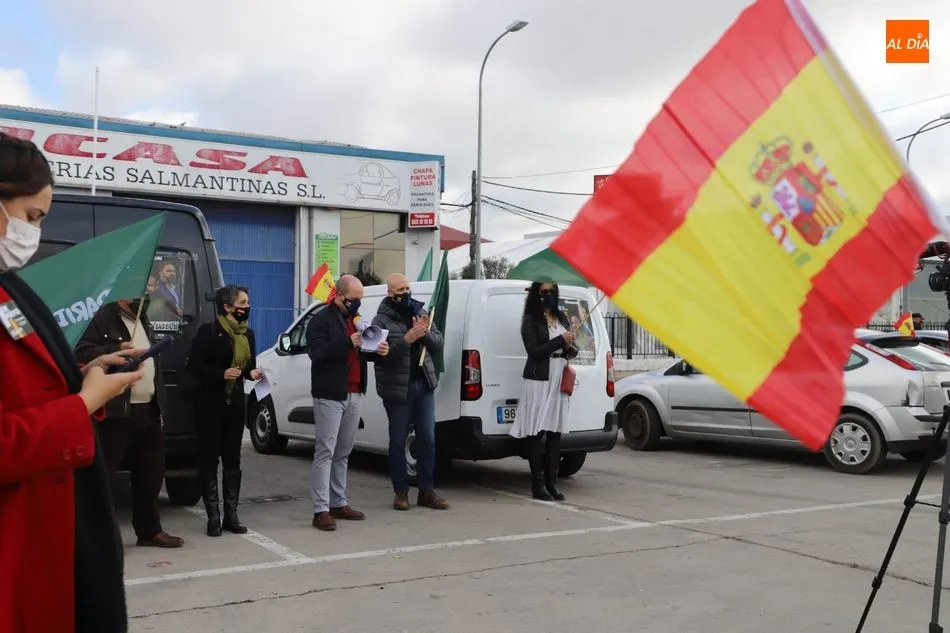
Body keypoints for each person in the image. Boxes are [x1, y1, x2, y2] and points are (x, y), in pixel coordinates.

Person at [0, 132, 148, 633]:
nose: (33, 233)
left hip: (48, 520)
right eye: (31, 217)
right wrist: (81, 404)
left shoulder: (9, 290)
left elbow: (32, 375)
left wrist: (88, 375)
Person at [74, 281, 184, 548]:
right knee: (103, 476)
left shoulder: (142, 317)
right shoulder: (102, 317)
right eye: (143, 289)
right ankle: (95, 535)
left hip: (148, 408)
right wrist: (114, 352)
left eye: (150, 289)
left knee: (150, 474)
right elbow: (81, 351)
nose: (146, 295)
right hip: (115, 410)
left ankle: (149, 531)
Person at [306, 274, 389, 531]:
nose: (358, 305)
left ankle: (338, 502)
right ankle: (320, 509)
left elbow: (361, 352)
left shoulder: (355, 320)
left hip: (354, 392)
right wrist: (346, 342)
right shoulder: (320, 320)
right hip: (330, 393)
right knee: (325, 451)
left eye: (360, 300)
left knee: (343, 451)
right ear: (339, 296)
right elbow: (316, 353)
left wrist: (379, 352)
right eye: (354, 299)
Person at [186, 285, 262, 537]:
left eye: (248, 302)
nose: (246, 307)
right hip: (209, 403)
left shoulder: (247, 334)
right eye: (242, 302)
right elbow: (194, 366)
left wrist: (253, 372)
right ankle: (213, 517)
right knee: (209, 459)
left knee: (233, 460)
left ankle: (231, 515)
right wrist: (221, 374)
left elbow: (249, 365)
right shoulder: (208, 332)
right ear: (227, 307)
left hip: (235, 404)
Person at [372, 273, 449, 511]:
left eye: (407, 288)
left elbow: (438, 343)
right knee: (397, 440)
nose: (405, 293)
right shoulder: (381, 320)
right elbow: (381, 357)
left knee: (427, 438)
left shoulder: (421, 312)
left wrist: (423, 332)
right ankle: (401, 492)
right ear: (390, 293)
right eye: (400, 290)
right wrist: (407, 339)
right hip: (398, 389)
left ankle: (426, 490)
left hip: (424, 384)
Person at [509, 281, 578, 501]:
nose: (548, 295)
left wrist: (569, 346)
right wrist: (560, 339)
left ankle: (552, 482)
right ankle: (537, 484)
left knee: (555, 432)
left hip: (558, 376)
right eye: (544, 292)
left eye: (552, 291)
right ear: (536, 294)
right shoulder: (530, 319)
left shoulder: (562, 317)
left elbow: (571, 350)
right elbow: (535, 352)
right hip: (539, 378)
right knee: (535, 432)